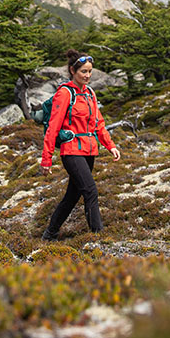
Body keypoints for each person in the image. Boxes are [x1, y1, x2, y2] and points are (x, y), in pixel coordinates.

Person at [39, 50, 120, 239]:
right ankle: (98, 236)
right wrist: (46, 159)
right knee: (90, 190)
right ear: (72, 71)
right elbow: (53, 127)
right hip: (72, 151)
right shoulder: (65, 94)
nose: (88, 75)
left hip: (89, 150)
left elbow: (98, 123)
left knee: (73, 195)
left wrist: (111, 146)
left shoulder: (90, 93)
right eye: (84, 71)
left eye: (90, 71)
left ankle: (50, 234)